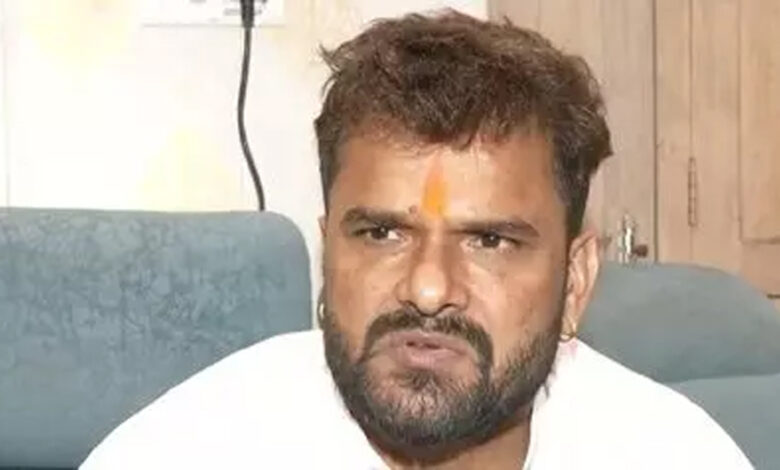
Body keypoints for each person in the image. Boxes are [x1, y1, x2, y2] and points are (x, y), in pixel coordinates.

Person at [81, 10, 753, 469]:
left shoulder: (675, 454)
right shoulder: (184, 450)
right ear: (328, 254)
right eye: (381, 233)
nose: (428, 288)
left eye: (489, 241)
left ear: (575, 281)